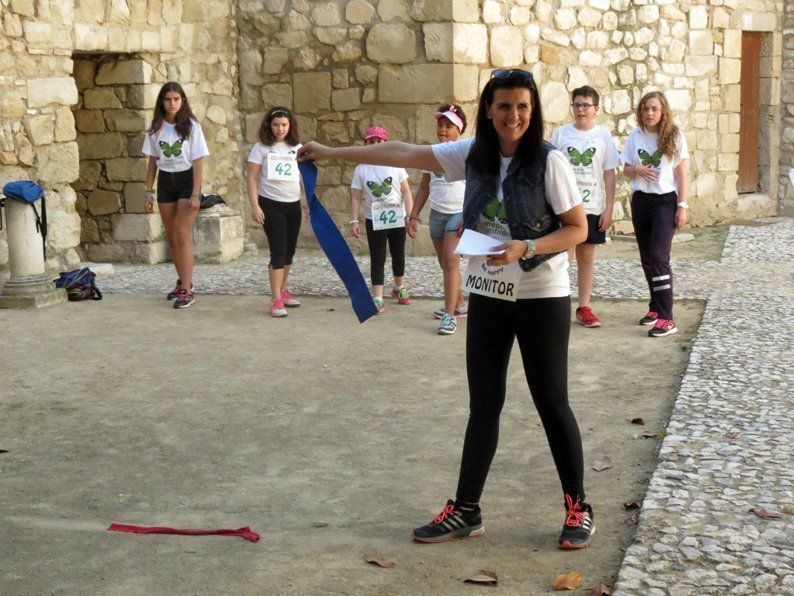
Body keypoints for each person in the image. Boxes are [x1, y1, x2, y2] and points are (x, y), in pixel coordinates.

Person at [298, 68, 594, 550]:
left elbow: (577, 229)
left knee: (551, 402)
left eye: (522, 106)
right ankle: (467, 510)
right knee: (483, 405)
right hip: (490, 294)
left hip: (541, 294)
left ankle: (578, 505)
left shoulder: (549, 161)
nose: (513, 116)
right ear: (488, 110)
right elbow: (401, 152)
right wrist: (331, 153)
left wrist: (527, 246)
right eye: (503, 106)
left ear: (533, 110)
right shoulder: (471, 154)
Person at [621, 91, 689, 337]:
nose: (649, 113)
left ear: (663, 111)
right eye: (645, 109)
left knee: (660, 257)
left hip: (665, 202)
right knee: (647, 258)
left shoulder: (675, 135)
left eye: (654, 109)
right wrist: (638, 169)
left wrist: (683, 205)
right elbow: (626, 168)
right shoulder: (635, 136)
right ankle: (654, 307)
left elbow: (681, 174)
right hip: (641, 201)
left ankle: (667, 317)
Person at [551, 86, 620, 328]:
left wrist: (608, 208)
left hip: (592, 206)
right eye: (577, 105)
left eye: (585, 105)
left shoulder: (603, 137)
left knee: (586, 256)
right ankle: (554, 304)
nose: (581, 110)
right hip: (564, 206)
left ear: (596, 109)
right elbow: (550, 169)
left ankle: (584, 306)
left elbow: (609, 174)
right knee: (561, 255)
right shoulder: (560, 135)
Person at [143, 82, 209, 309]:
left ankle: (189, 290)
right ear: (162, 101)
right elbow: (152, 161)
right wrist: (148, 191)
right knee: (171, 237)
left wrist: (196, 194)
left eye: (176, 99)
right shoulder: (155, 127)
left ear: (182, 101)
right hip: (165, 181)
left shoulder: (191, 126)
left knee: (182, 234)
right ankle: (182, 282)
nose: (172, 103)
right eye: (168, 99)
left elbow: (199, 162)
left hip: (186, 179)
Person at [407, 104, 468, 335]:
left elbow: (474, 185)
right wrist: (414, 215)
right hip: (437, 215)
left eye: (449, 126)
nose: (443, 130)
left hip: (458, 214)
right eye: (440, 125)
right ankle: (459, 305)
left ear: (459, 130)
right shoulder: (431, 153)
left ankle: (449, 316)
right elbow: (424, 187)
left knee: (451, 263)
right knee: (445, 265)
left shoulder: (464, 152)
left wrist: (469, 215)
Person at [246, 107, 305, 318]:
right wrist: (255, 205)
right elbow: (252, 177)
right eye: (276, 125)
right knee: (278, 251)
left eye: (284, 125)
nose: (280, 129)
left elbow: (304, 178)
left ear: (290, 126)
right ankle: (275, 299)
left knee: (289, 252)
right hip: (270, 204)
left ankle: (282, 289)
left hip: (293, 204)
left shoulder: (297, 148)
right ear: (269, 126)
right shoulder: (261, 148)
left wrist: (309, 206)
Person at [349, 126, 413, 313]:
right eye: (371, 141)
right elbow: (355, 196)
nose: (375, 145)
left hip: (396, 218)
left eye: (379, 142)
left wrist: (410, 215)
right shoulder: (361, 169)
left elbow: (406, 191)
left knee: (398, 252)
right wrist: (354, 220)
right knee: (377, 255)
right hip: (374, 218)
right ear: (365, 144)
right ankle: (377, 295)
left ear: (386, 144)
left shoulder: (396, 165)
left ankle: (399, 287)